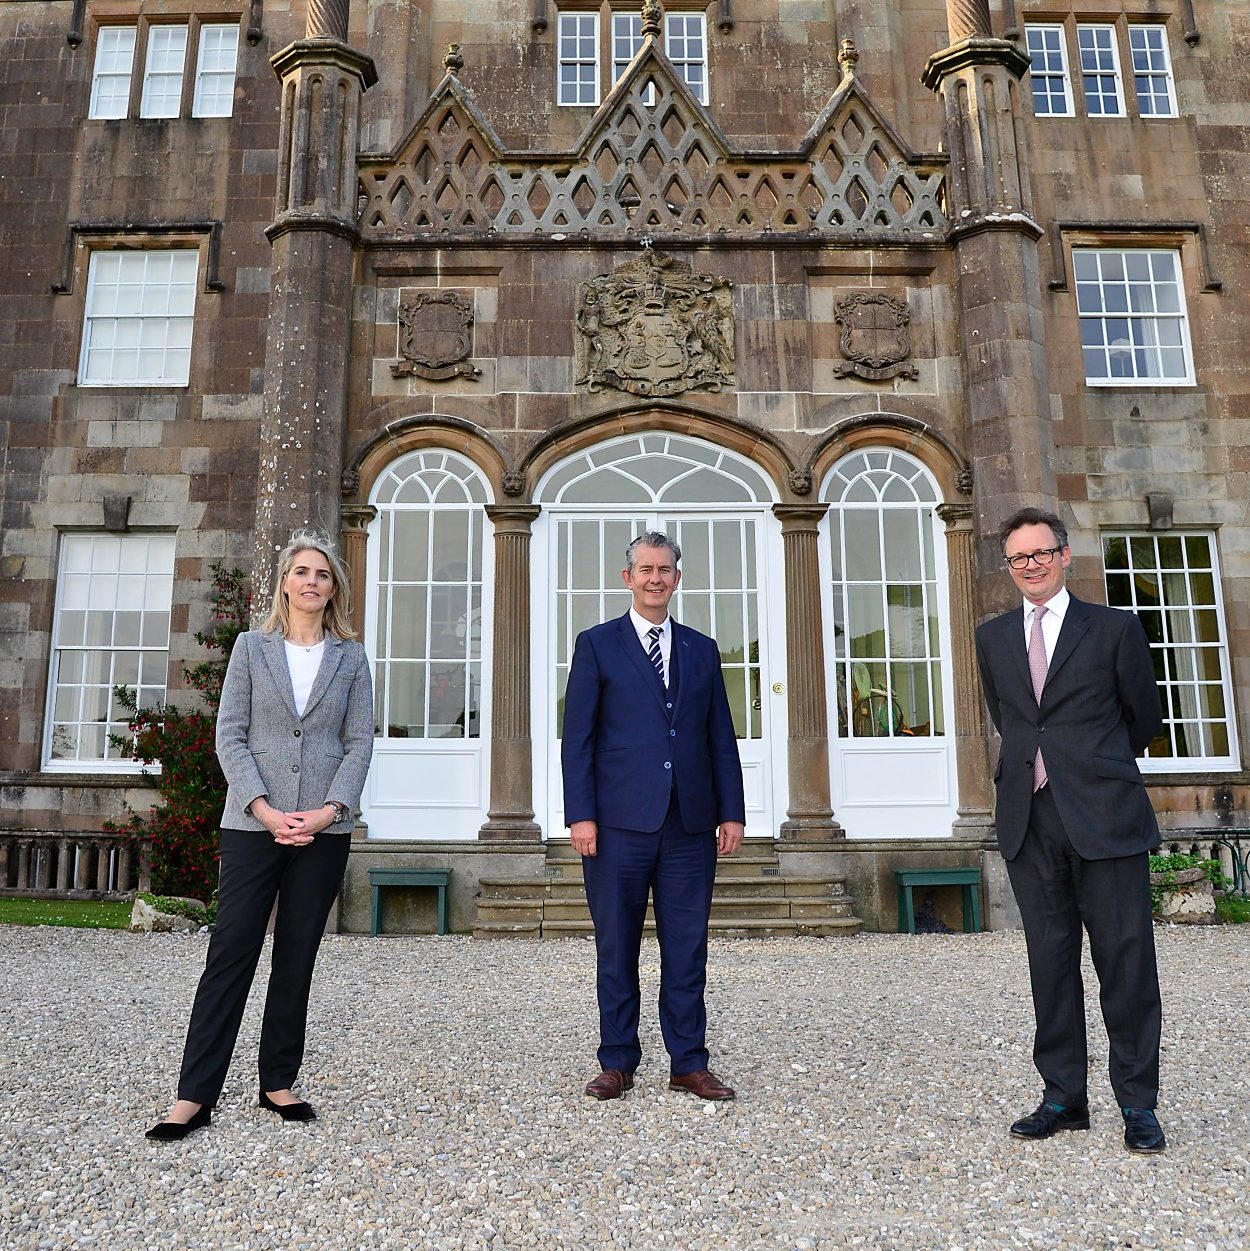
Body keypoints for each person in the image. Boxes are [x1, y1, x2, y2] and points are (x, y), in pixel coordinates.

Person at [146, 530, 374, 1140]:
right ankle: (194, 1095)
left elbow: (359, 743)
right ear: (284, 582)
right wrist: (267, 810)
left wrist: (329, 811)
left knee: (297, 956)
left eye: (322, 574)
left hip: (325, 831)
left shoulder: (352, 659)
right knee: (231, 953)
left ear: (334, 589)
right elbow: (232, 736)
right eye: (300, 571)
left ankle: (278, 1082)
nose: (310, 582)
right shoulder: (252, 648)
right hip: (252, 825)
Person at [974, 507, 1166, 1155]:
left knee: (1126, 962)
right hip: (1031, 820)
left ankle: (1138, 1102)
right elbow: (1011, 718)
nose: (1030, 564)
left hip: (1106, 817)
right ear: (1010, 566)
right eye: (1018, 557)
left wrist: (1090, 767)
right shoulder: (993, 636)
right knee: (1050, 965)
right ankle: (1063, 1097)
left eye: (1041, 552)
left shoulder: (1113, 629)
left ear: (1065, 555)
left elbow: (1143, 715)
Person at [562, 531, 746, 1102]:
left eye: (664, 569)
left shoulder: (701, 649)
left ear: (677, 577)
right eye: (645, 569)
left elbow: (721, 737)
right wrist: (581, 816)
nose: (655, 579)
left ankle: (688, 1062)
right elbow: (579, 739)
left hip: (690, 825)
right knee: (616, 946)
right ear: (628, 578)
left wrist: (731, 812)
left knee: (687, 948)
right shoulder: (597, 645)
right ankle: (617, 1061)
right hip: (616, 825)